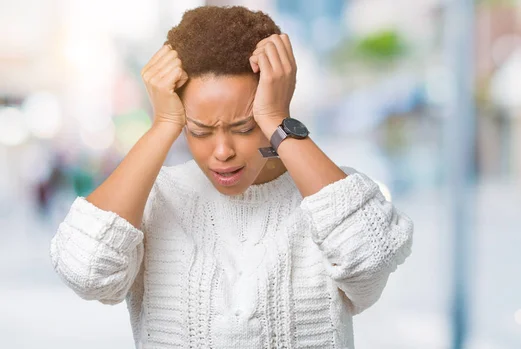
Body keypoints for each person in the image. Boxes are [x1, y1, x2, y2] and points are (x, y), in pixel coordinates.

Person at [50, 5, 413, 349]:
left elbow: (371, 267)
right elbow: (86, 274)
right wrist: (163, 125)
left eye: (244, 127)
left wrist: (276, 118)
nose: (222, 151)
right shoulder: (154, 198)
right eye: (200, 131)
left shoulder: (329, 197)